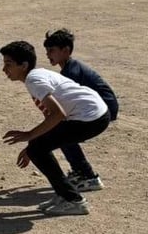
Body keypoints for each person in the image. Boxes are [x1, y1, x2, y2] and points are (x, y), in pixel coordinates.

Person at [0, 41, 108, 216]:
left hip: (90, 118)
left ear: (24, 65)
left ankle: (73, 200)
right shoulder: (36, 75)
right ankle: (64, 194)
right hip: (95, 113)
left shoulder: (33, 80)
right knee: (37, 147)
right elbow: (54, 120)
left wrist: (29, 137)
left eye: (9, 64)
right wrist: (32, 145)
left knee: (37, 148)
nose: (4, 70)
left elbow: (58, 114)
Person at [42, 28, 119, 192]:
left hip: (103, 108)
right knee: (61, 131)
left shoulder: (72, 71)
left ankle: (88, 176)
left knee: (62, 133)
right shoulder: (69, 68)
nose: (48, 54)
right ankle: (80, 172)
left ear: (66, 51)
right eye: (47, 50)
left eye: (52, 50)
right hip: (95, 107)